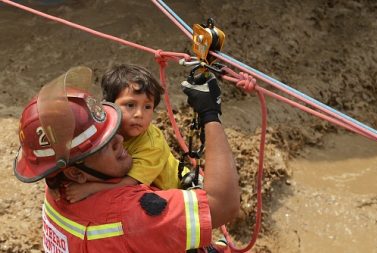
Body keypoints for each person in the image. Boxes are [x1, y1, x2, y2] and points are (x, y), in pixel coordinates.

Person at [13, 67, 240, 252]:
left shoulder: (57, 185)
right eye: (105, 144)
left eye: (112, 132)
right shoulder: (127, 214)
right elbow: (224, 205)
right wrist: (210, 115)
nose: (120, 139)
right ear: (76, 172)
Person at [64, 64, 188, 203]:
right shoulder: (104, 124)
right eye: (130, 105)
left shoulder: (152, 145)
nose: (139, 114)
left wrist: (90, 188)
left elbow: (130, 183)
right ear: (110, 105)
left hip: (176, 188)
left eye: (148, 107)